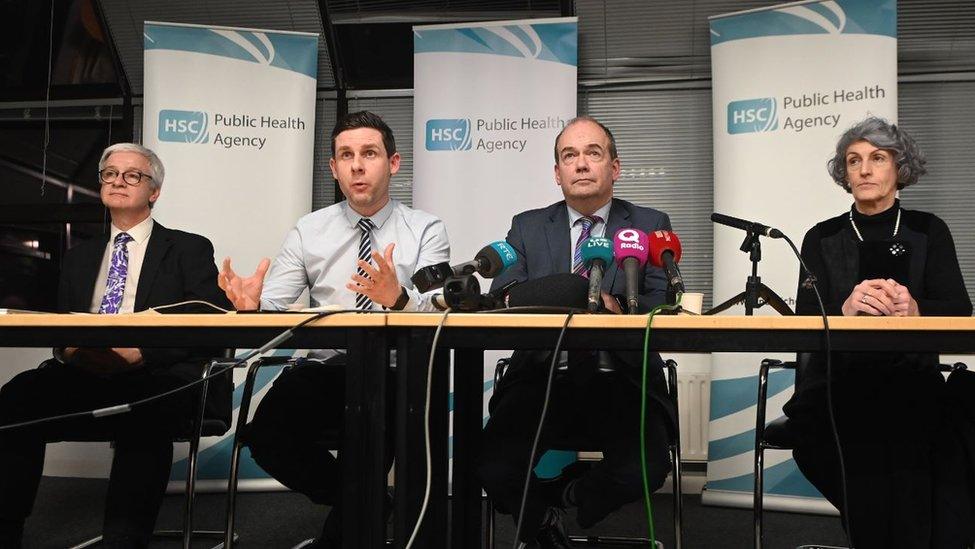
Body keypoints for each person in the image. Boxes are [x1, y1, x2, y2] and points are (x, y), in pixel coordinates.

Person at [217, 111, 450, 548]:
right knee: (266, 437)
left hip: (395, 373)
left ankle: (345, 530)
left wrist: (397, 299)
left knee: (369, 436)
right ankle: (368, 503)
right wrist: (253, 307)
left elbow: (436, 309)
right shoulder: (310, 230)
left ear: (393, 163)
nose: (357, 165)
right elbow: (275, 307)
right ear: (334, 168)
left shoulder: (425, 230)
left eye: (369, 153)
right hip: (325, 369)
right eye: (346, 155)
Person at [0, 143, 232, 548]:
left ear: (154, 191)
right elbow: (63, 329)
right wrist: (75, 353)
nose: (118, 181)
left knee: (146, 411)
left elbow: (206, 326)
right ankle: (5, 531)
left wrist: (140, 354)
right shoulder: (78, 256)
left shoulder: (189, 248)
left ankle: (124, 541)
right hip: (84, 371)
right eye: (110, 174)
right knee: (15, 398)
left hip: (155, 374)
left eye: (132, 175)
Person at [476, 116, 676, 549]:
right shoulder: (527, 226)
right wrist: (566, 298)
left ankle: (565, 494)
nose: (581, 164)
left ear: (615, 168)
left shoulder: (649, 221)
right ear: (557, 173)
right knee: (492, 467)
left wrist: (617, 308)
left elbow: (663, 301)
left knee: (643, 469)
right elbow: (505, 295)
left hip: (623, 380)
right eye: (570, 156)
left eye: (593, 153)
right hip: (541, 378)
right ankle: (543, 527)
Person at [784, 117, 975, 548]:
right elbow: (803, 316)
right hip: (839, 387)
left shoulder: (929, 230)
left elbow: (961, 310)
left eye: (877, 158)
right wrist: (844, 310)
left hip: (913, 382)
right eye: (854, 161)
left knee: (923, 444)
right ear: (844, 173)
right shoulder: (821, 236)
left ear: (898, 168)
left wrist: (917, 309)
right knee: (861, 449)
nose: (864, 170)